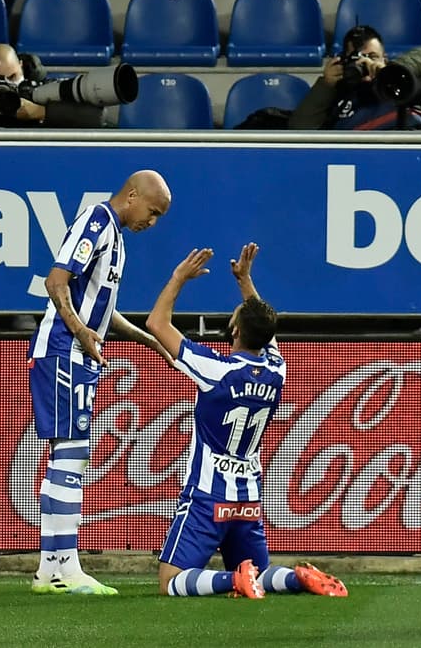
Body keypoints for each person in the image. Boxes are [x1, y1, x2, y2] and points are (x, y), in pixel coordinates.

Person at [144, 242, 348, 600]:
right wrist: (245, 281)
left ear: (234, 329)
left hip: (208, 496)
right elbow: (263, 328)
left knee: (170, 581)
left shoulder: (216, 369)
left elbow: (156, 323)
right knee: (261, 574)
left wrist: (179, 277)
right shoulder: (276, 371)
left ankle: (230, 581)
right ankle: (297, 578)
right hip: (248, 500)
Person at [28, 170, 174, 595]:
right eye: (153, 211)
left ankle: (52, 569)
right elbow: (56, 280)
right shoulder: (96, 220)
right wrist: (78, 330)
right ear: (132, 196)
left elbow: (102, 310)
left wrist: (151, 341)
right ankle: (62, 569)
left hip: (75, 351)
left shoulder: (116, 236)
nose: (153, 221)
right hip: (64, 350)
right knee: (70, 456)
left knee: (68, 456)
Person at [288, 25, 421, 131]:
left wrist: (392, 70)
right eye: (356, 58)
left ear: (385, 59)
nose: (364, 63)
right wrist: (325, 86)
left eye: (372, 57)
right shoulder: (338, 92)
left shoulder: (400, 81)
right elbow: (299, 129)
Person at [0, 44, 107, 128]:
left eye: (13, 76)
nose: (9, 84)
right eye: (0, 79)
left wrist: (42, 112)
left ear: (21, 65)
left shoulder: (45, 89)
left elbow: (97, 118)